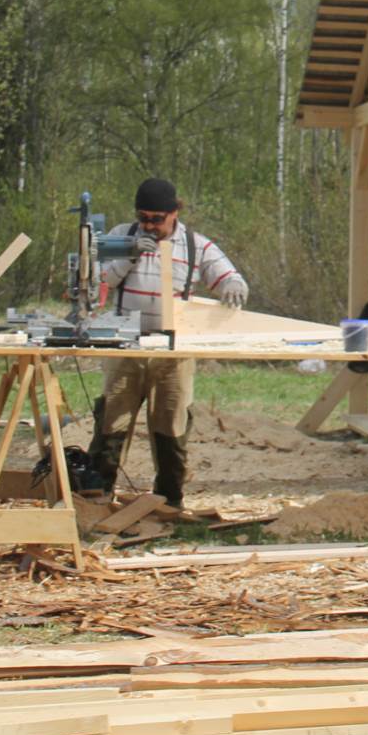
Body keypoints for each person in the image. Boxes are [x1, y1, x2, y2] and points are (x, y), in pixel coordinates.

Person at [88, 177, 248, 509]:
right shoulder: (122, 235)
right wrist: (130, 254)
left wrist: (233, 285)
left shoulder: (195, 245)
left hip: (173, 352)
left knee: (171, 425)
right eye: (143, 218)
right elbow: (100, 282)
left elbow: (228, 276)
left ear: (175, 212)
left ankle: (169, 502)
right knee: (111, 423)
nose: (149, 226)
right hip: (126, 348)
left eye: (157, 219)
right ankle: (96, 498)